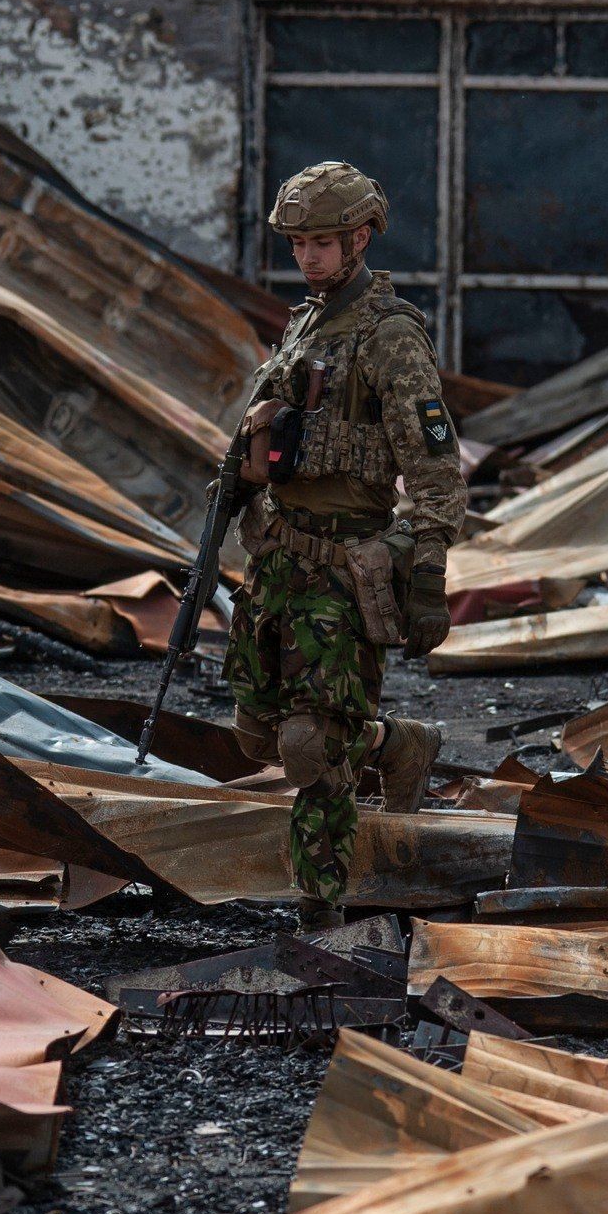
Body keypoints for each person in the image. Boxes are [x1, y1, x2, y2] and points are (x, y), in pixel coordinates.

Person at [225, 161, 467, 931]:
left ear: (361, 238)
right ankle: (397, 745)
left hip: (341, 567)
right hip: (280, 561)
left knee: (309, 745)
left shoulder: (390, 337)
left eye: (323, 243)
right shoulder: (306, 323)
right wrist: (237, 483)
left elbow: (435, 470)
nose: (309, 258)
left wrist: (425, 570)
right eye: (299, 245)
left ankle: (321, 907)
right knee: (257, 730)